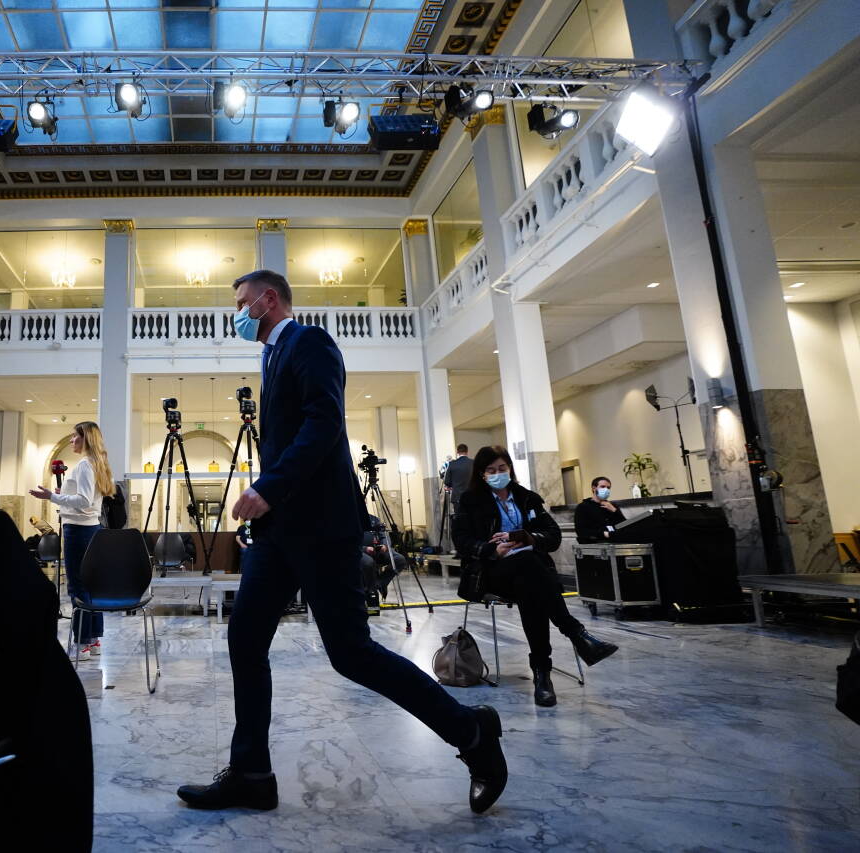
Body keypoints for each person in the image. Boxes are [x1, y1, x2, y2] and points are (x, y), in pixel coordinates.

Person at [177, 270, 506, 815]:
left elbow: (325, 422)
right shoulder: (270, 357)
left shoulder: (310, 341)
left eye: (241, 303)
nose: (236, 314)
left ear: (268, 299)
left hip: (322, 528)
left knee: (351, 654)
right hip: (280, 533)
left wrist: (268, 486)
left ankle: (472, 734)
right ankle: (252, 773)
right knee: (245, 637)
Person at [452, 446, 619, 707]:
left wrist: (529, 538)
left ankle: (543, 675)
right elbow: (461, 541)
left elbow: (553, 536)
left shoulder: (527, 497)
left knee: (530, 583)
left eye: (502, 468)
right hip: (492, 572)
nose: (498, 474)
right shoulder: (470, 500)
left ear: (510, 468)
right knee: (532, 572)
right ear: (482, 474)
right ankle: (575, 636)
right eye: (491, 470)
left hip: (528, 574)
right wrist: (491, 549)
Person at [29, 421, 115, 661]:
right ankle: (94, 639)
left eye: (74, 437)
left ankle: (83, 643)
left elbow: (84, 501)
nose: (71, 441)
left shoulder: (85, 465)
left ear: (85, 438)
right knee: (91, 586)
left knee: (78, 587)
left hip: (79, 531)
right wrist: (57, 497)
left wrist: (52, 497)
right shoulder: (96, 464)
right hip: (89, 529)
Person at [574, 476, 627, 543]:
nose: (606, 489)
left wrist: (614, 510)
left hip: (614, 541)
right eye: (602, 487)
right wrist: (604, 534)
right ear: (594, 488)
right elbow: (581, 531)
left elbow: (625, 525)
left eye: (608, 488)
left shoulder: (612, 506)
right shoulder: (583, 507)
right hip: (595, 543)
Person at [444, 443, 473, 509]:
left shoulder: (452, 464)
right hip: (472, 497)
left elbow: (447, 482)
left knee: (460, 518)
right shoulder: (473, 463)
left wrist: (452, 485)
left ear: (457, 452)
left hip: (457, 498)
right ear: (467, 451)